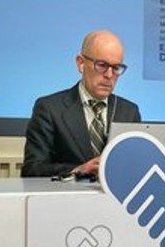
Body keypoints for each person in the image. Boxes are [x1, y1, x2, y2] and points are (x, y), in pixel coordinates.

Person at [22, 30, 141, 178]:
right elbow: (32, 169)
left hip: (114, 200)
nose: (109, 75)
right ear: (81, 63)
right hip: (67, 198)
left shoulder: (129, 112)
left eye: (116, 68)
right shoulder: (49, 109)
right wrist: (78, 169)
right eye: (102, 65)